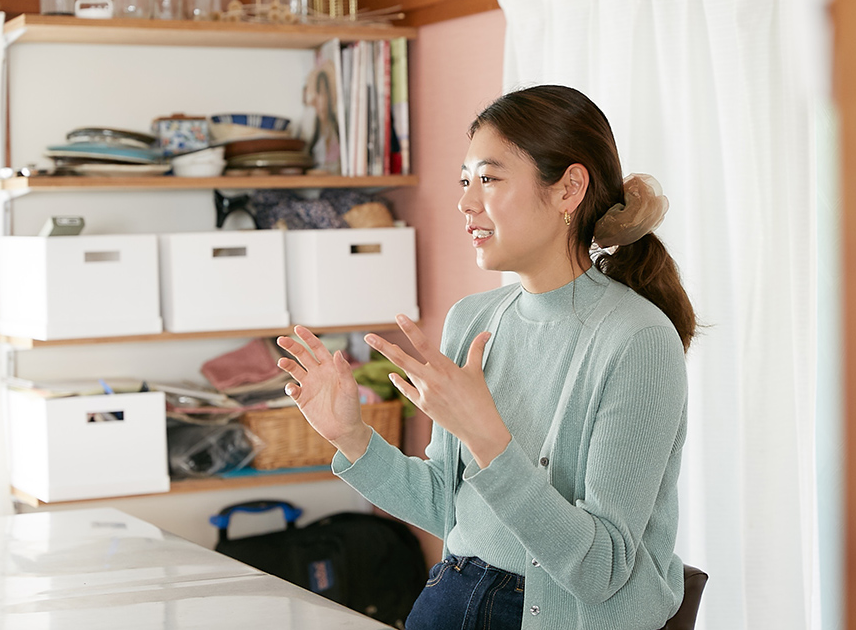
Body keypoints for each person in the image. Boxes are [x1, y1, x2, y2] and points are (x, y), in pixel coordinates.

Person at [276, 84, 696, 630]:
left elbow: (601, 571)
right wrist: (351, 437)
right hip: (452, 596)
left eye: (490, 179)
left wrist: (488, 439)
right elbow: (450, 512)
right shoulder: (472, 321)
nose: (465, 202)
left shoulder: (637, 340)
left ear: (569, 189)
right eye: (464, 181)